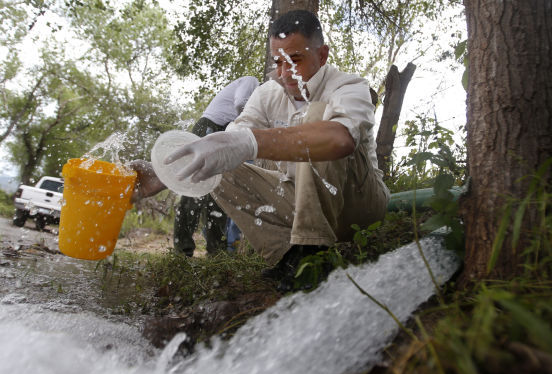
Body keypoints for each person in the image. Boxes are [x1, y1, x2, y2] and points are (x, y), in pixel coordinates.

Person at [132, 10, 389, 290]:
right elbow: (231, 141)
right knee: (223, 165)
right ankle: (291, 259)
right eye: (279, 62)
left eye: (296, 60)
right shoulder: (268, 92)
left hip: (357, 207)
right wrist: (163, 173)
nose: (285, 74)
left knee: (317, 121)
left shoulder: (349, 86)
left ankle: (312, 251)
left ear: (323, 55)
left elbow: (340, 140)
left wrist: (250, 142)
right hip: (296, 202)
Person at [174, 76, 259, 257]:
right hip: (210, 128)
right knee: (195, 190)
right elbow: (241, 104)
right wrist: (249, 132)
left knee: (219, 192)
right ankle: (182, 251)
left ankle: (216, 252)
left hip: (224, 132)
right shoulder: (252, 81)